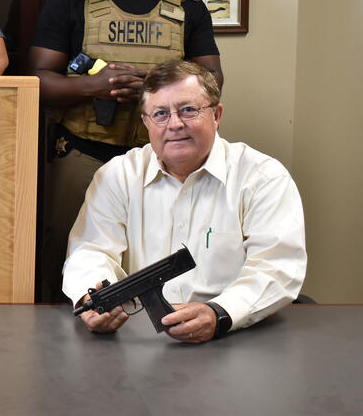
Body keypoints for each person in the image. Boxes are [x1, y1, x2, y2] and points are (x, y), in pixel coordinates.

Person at [30, 0, 223, 302]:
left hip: (164, 159)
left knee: (163, 257)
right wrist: (95, 86)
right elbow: (36, 80)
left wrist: (155, 88)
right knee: (66, 260)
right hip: (83, 153)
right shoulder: (72, 0)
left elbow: (213, 81)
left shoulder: (186, 5)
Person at [64, 60, 306, 343]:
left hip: (233, 335)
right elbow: (90, 251)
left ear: (216, 114)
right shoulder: (117, 176)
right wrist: (92, 295)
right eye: (161, 114)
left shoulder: (263, 177)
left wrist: (219, 313)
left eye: (189, 110)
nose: (175, 124)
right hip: (138, 342)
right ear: (146, 122)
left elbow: (277, 267)